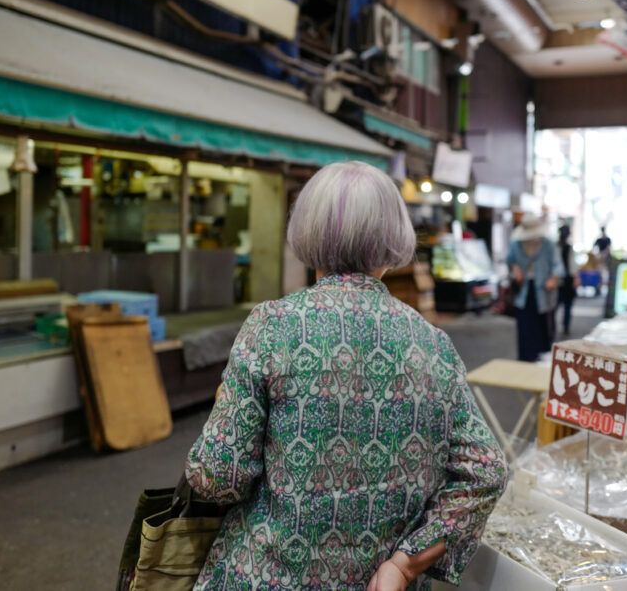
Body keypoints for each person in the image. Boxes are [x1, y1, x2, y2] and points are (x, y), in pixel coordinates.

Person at [185, 161, 508, 591]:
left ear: (308, 230)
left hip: (265, 577)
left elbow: (217, 476)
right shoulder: (433, 345)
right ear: (394, 236)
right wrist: (405, 565)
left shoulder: (273, 327)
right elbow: (486, 471)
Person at [506, 215, 563, 361]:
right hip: (523, 291)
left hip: (544, 292)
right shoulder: (515, 244)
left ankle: (542, 356)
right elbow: (510, 260)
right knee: (524, 326)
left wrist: (552, 279)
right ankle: (525, 357)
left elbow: (559, 267)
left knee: (543, 325)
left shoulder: (548, 245)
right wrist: (515, 269)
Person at [556, 224, 580, 337]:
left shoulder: (558, 247)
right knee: (565, 305)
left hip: (560, 279)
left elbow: (572, 266)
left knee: (561, 305)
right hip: (561, 279)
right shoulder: (561, 248)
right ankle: (563, 326)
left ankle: (561, 326)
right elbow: (573, 266)